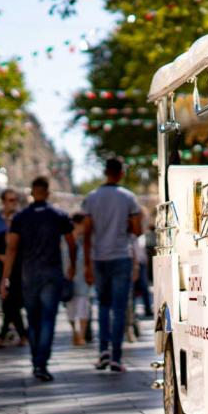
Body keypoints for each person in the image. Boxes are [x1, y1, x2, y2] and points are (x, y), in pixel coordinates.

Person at [0, 176, 76, 382]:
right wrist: (73, 268)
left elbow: (12, 248)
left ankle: (37, 361)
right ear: (48, 192)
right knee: (48, 320)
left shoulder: (21, 218)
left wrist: (4, 278)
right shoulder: (58, 215)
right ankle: (41, 363)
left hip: (29, 274)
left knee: (33, 320)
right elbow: (72, 242)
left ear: (32, 193)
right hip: (52, 273)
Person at [83, 157, 142, 372]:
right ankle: (116, 357)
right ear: (121, 173)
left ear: (105, 172)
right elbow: (137, 230)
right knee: (119, 309)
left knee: (103, 306)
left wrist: (87, 264)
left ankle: (103, 352)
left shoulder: (91, 198)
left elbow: (87, 232)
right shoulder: (128, 198)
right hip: (121, 257)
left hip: (99, 258)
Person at [0, 190, 27, 348]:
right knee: (8, 300)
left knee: (11, 301)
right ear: (3, 201)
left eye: (15, 200)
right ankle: (21, 334)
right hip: (1, 266)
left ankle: (4, 334)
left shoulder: (22, 218)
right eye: (10, 200)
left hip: (18, 267)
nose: (13, 203)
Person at [66, 213, 90, 346]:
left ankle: (81, 335)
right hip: (69, 278)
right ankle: (74, 332)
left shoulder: (85, 240)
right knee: (70, 308)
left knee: (83, 306)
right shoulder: (66, 239)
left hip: (83, 278)